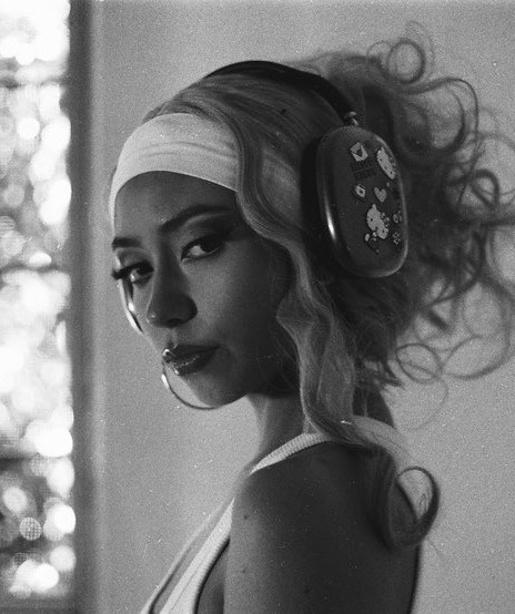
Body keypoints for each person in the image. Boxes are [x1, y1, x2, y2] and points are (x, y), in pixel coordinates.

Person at [108, 33, 515, 614]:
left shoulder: (293, 496)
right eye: (136, 269)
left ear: (316, 238)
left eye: (201, 245)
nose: (158, 308)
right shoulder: (308, 478)